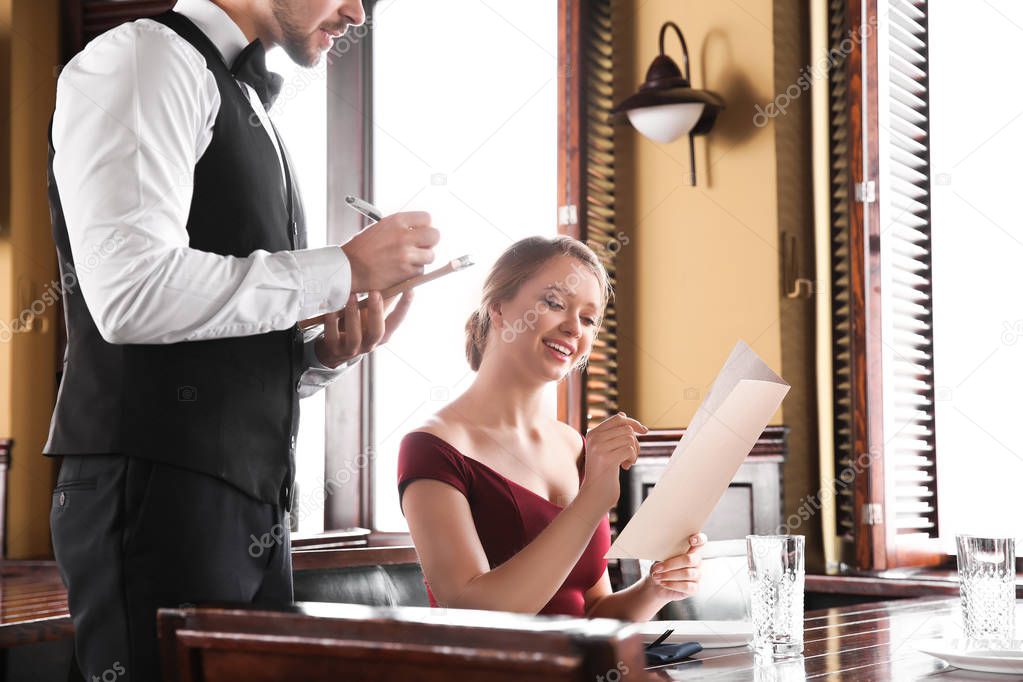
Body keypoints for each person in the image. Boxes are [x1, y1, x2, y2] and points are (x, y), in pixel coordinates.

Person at [45, 1, 438, 679]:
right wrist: (344, 268)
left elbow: (214, 340)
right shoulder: (143, 58)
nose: (355, 12)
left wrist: (318, 358)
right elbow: (130, 293)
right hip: (154, 494)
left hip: (250, 507)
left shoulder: (244, 99)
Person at [398, 236, 703, 619]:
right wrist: (591, 500)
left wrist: (655, 589)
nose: (574, 328)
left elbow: (590, 612)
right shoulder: (432, 447)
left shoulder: (573, 445)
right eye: (554, 303)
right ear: (498, 308)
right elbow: (473, 611)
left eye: (589, 319)